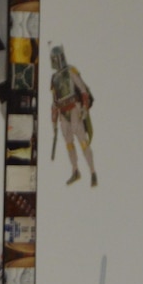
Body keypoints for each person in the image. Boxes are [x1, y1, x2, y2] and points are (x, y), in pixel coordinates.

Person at [49, 44, 97, 187]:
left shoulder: (70, 71)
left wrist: (84, 108)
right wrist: (53, 122)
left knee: (82, 140)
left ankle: (93, 172)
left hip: (74, 108)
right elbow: (54, 101)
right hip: (63, 113)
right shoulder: (54, 78)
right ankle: (75, 170)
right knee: (69, 143)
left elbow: (82, 90)